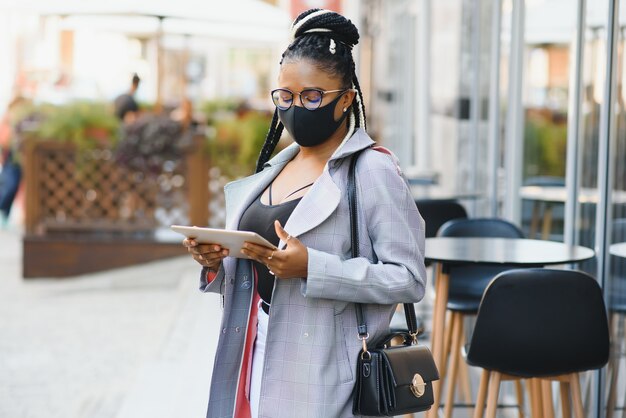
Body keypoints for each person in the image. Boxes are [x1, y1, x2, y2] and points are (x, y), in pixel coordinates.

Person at [183, 9, 426, 418]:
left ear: (346, 99)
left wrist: (313, 267)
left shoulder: (371, 170)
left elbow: (409, 279)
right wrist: (214, 262)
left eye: (312, 96)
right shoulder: (274, 167)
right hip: (251, 353)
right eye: (285, 97)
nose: (296, 108)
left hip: (325, 374)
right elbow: (256, 270)